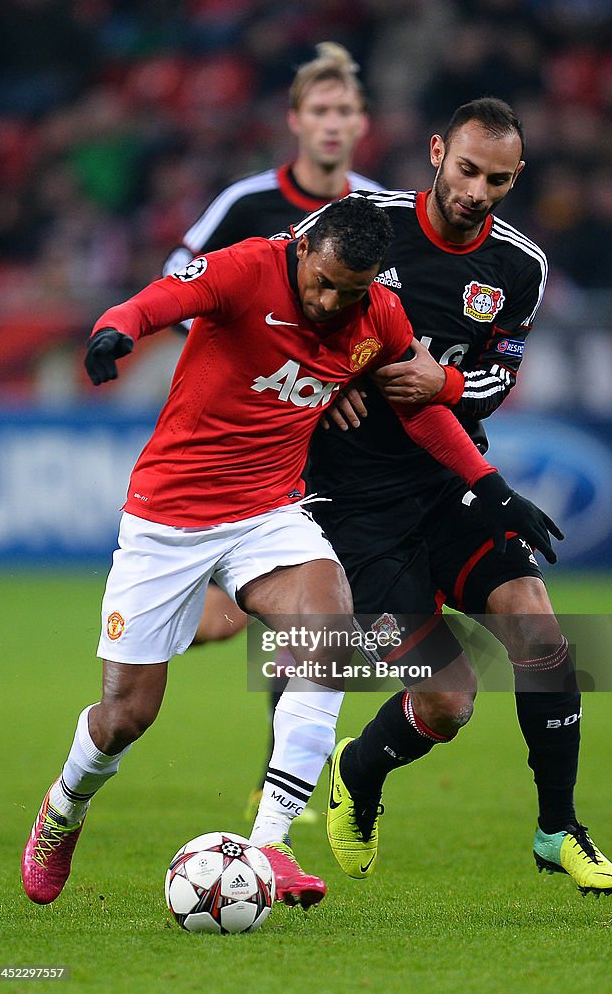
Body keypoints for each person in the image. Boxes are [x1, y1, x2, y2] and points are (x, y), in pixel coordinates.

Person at [20, 197, 559, 910]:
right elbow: (161, 297)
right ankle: (63, 809)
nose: (332, 300)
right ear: (303, 249)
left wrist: (489, 487)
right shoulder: (248, 268)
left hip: (268, 512)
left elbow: (420, 404)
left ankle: (272, 842)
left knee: (326, 632)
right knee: (125, 716)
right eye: (324, 282)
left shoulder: (377, 316)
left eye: (352, 289)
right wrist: (114, 331)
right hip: (167, 518)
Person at [247, 98, 612, 897]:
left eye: (497, 178)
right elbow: (274, 303)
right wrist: (325, 381)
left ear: (514, 178)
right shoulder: (362, 222)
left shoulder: (519, 267)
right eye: (465, 170)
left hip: (449, 479)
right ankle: (359, 771)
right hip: (347, 506)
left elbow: (495, 379)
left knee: (540, 632)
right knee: (449, 701)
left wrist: (444, 380)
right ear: (434, 153)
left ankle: (556, 829)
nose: (477, 190)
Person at [165, 42, 382, 812]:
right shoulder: (247, 204)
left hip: (341, 454)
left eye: (343, 111)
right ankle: (151, 624)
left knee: (315, 634)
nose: (330, 123)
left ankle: (272, 814)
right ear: (295, 120)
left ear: (361, 122)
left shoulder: (376, 216)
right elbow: (176, 283)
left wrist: (349, 378)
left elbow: (394, 326)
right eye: (317, 110)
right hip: (247, 447)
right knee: (238, 628)